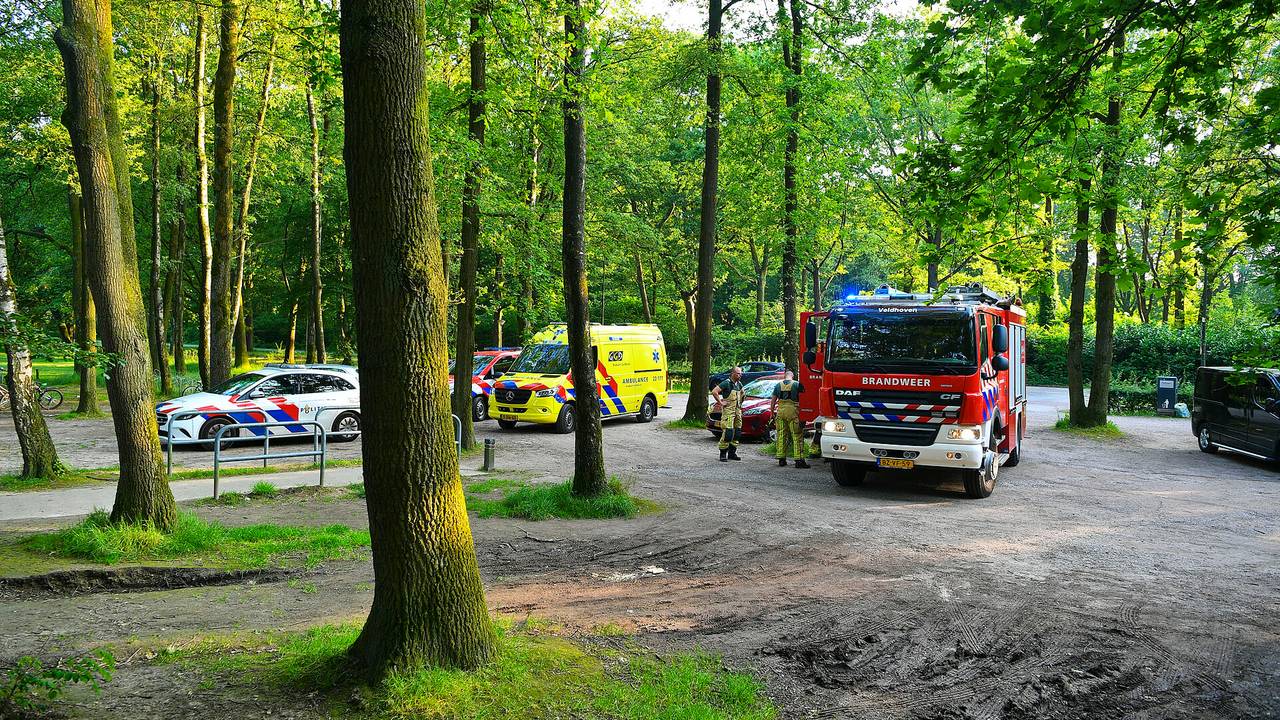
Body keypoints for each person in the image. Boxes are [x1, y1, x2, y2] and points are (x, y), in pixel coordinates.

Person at [770, 370, 809, 468]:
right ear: (793, 376)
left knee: (781, 434)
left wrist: (771, 412)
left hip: (781, 412)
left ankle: (781, 459)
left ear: (785, 376)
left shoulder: (778, 385)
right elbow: (805, 398)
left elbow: (773, 400)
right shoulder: (797, 384)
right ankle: (799, 460)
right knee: (797, 435)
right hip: (793, 412)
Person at [711, 366, 744, 462]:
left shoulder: (739, 384)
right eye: (738, 373)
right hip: (728, 411)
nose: (740, 375)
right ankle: (723, 453)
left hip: (737, 411)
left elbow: (742, 394)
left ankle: (732, 453)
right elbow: (714, 391)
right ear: (732, 374)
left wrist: (741, 403)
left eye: (740, 373)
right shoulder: (727, 383)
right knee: (728, 433)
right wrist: (721, 402)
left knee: (737, 432)